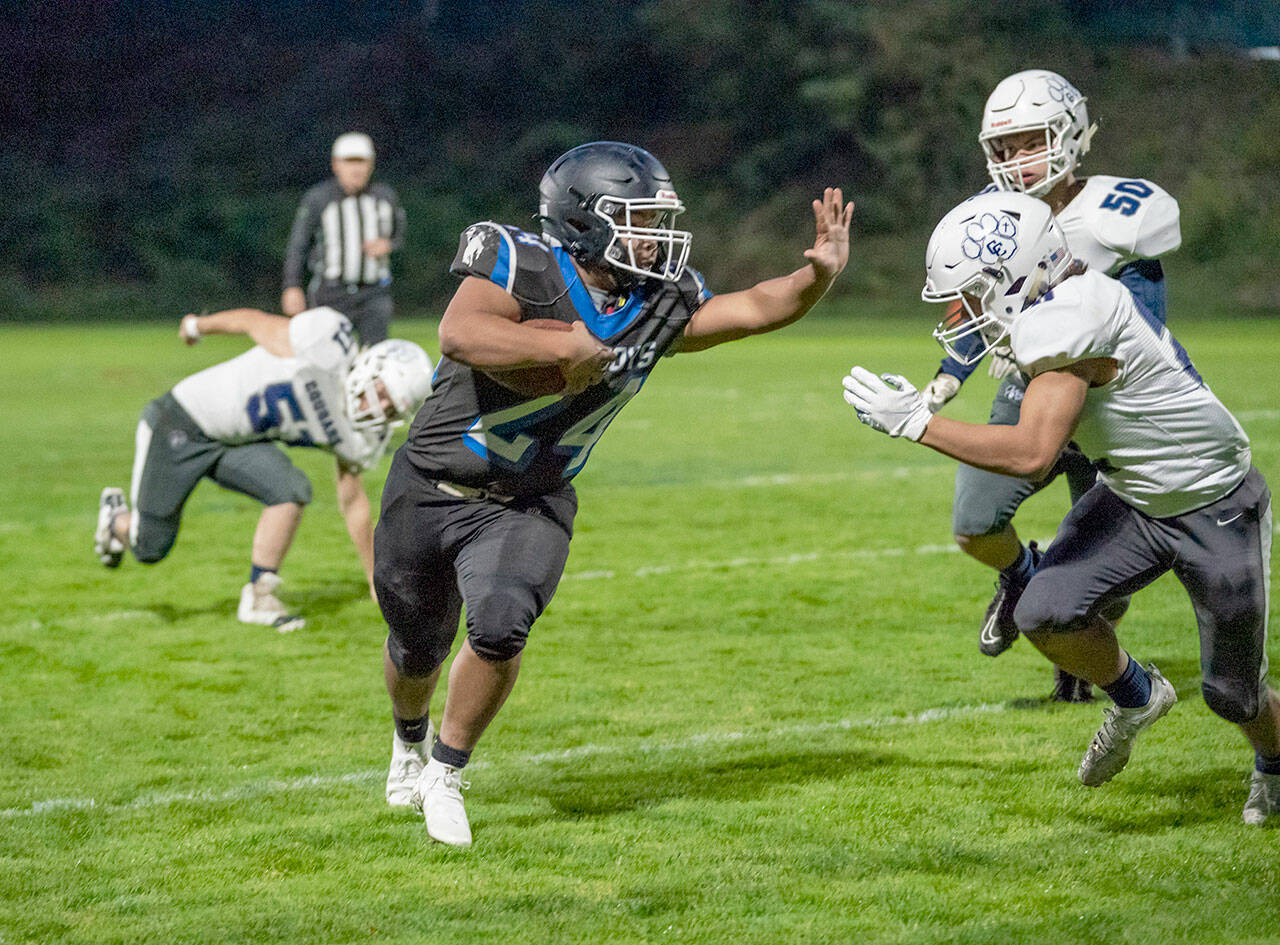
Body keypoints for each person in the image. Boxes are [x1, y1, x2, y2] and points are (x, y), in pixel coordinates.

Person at [374, 140, 853, 847]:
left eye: (656, 220)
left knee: (501, 624)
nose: (653, 237)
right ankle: (407, 740)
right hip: (430, 484)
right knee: (417, 647)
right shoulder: (523, 259)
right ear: (581, 218)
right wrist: (560, 348)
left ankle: (446, 768)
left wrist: (815, 279)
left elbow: (753, 306)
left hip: (530, 498)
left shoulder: (662, 301)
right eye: (636, 219)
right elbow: (461, 332)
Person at [841, 190, 1278, 825]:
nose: (962, 314)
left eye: (970, 295)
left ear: (1015, 275)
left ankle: (1273, 762)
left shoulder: (1069, 318)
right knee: (1043, 609)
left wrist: (916, 424)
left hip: (1214, 503)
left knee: (1233, 697)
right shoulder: (1060, 301)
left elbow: (1031, 454)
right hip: (1132, 497)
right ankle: (1137, 696)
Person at [917, 70, 1182, 702]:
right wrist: (950, 373)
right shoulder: (995, 214)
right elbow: (970, 303)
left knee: (1104, 566)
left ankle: (1083, 659)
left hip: (1106, 406)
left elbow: (1144, 318)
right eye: (1004, 149)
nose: (1017, 160)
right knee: (974, 522)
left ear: (1069, 133)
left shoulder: (1121, 210)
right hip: (1026, 389)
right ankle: (1021, 574)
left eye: (1031, 141)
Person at [93, 305, 432, 631]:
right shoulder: (326, 345)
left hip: (236, 444)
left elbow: (353, 501)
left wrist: (375, 577)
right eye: (383, 394)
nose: (380, 409)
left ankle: (259, 596)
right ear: (372, 366)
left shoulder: (361, 437)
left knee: (291, 490)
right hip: (182, 421)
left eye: (392, 409)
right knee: (149, 548)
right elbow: (251, 322)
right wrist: (197, 326)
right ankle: (116, 523)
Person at [281, 132, 406, 346]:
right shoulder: (319, 198)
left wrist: (388, 245)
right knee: (326, 357)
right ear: (335, 164)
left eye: (361, 161)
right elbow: (298, 245)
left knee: (375, 356)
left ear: (371, 164)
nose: (356, 169)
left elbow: (399, 236)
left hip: (374, 293)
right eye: (349, 161)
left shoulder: (385, 197)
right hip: (331, 293)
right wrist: (291, 286)